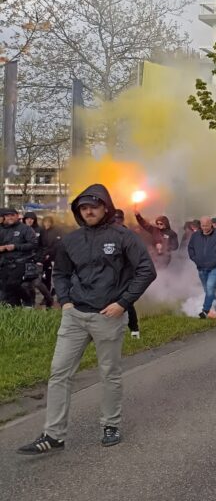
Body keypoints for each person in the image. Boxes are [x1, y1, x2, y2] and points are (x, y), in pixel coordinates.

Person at [16, 184, 155, 455]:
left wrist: (122, 303)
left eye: (93, 206)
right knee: (59, 373)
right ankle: (54, 434)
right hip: (75, 316)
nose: (88, 211)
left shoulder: (123, 236)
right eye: (83, 208)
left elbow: (146, 271)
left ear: (106, 207)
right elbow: (61, 274)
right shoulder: (72, 240)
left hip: (108, 316)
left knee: (109, 374)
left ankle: (110, 425)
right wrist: (66, 301)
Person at [187, 216, 216, 319]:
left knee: (211, 287)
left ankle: (205, 311)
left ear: (211, 224)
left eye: (207, 225)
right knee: (208, 291)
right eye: (203, 226)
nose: (205, 228)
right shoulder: (195, 235)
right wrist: (195, 258)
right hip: (201, 267)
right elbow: (190, 248)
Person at [0, 207, 39, 307]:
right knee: (5, 287)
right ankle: (15, 308)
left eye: (12, 215)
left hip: (20, 262)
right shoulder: (2, 229)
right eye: (7, 216)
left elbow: (33, 244)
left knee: (12, 284)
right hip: (4, 263)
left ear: (17, 216)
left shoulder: (25, 228)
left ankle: (27, 300)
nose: (10, 217)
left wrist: (15, 246)